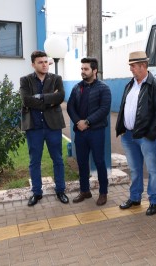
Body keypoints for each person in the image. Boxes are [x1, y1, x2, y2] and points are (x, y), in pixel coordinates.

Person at [116, 51, 156, 216]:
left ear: (143, 66)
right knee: (135, 169)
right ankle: (135, 197)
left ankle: (154, 201)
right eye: (130, 66)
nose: (131, 69)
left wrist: (149, 134)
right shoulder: (130, 84)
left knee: (153, 170)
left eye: (133, 66)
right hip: (129, 136)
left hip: (146, 137)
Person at [19, 50, 69, 206]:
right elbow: (26, 100)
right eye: (40, 62)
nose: (44, 64)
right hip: (34, 127)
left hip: (53, 126)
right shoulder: (25, 80)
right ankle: (37, 193)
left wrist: (40, 97)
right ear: (33, 64)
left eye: (46, 61)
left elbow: (60, 96)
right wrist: (50, 100)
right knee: (35, 161)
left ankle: (60, 190)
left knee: (58, 159)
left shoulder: (56, 79)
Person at [67, 57, 112, 206]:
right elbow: (70, 107)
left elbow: (104, 109)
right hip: (80, 133)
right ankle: (85, 191)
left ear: (94, 70)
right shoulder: (77, 88)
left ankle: (103, 193)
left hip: (96, 132)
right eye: (82, 69)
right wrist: (78, 122)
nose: (83, 72)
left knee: (99, 162)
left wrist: (87, 122)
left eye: (86, 69)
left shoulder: (103, 88)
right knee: (82, 162)